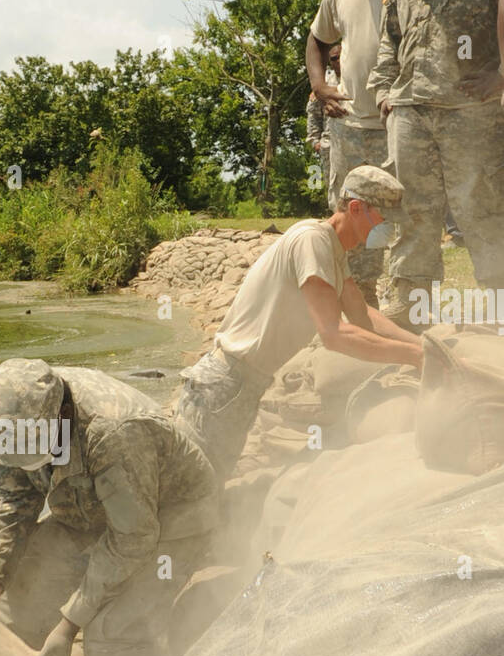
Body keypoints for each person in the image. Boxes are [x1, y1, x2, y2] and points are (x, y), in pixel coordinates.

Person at [0, 359, 217, 656]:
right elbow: (15, 500)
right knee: (16, 602)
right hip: (88, 513)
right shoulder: (18, 416)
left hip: (170, 524)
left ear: (62, 417)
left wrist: (69, 624)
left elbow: (134, 539)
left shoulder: (113, 432)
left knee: (111, 639)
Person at [174, 166, 423, 484]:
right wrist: (413, 357)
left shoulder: (334, 250)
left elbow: (363, 317)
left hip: (243, 385)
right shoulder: (311, 241)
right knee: (190, 493)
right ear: (357, 208)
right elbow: (334, 335)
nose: (387, 229)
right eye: (384, 220)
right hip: (223, 385)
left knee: (209, 487)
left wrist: (422, 346)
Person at [367, 0, 504, 325]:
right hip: (412, 112)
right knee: (413, 213)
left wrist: (500, 76)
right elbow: (391, 37)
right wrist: (384, 89)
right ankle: (409, 314)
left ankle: (498, 311)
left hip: (472, 114)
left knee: (482, 211)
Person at [306, 0, 397, 308]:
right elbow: (317, 40)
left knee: (395, 217)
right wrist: (320, 86)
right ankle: (355, 302)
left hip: (397, 124)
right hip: (348, 127)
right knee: (347, 215)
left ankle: (404, 306)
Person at [305, 45, 341, 201]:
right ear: (330, 62)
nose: (338, 61)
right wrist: (315, 141)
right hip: (330, 142)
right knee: (333, 186)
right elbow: (313, 114)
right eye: (334, 58)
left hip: (358, 138)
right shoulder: (323, 85)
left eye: (341, 56)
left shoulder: (356, 79)